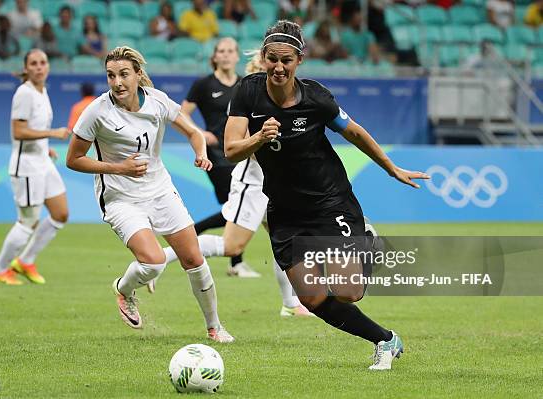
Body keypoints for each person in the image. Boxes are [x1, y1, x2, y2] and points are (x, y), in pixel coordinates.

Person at [224, 20, 429, 370]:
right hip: (286, 212)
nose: (278, 66)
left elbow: (355, 133)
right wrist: (258, 138)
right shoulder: (247, 91)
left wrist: (390, 167)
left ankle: (369, 242)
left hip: (329, 202)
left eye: (286, 60)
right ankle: (385, 339)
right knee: (314, 298)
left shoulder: (316, 98)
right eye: (271, 58)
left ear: (299, 60)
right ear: (263, 57)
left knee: (348, 291)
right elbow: (230, 150)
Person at [65, 46, 234, 343]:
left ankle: (214, 327)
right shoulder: (97, 111)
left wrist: (200, 154)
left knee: (194, 259)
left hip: (160, 190)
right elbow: (74, 159)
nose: (117, 82)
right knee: (153, 263)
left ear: (138, 75)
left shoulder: (157, 101)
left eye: (123, 75)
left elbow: (194, 132)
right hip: (119, 197)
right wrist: (119, 168)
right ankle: (123, 289)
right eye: (111, 75)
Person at [162, 50, 311, 317]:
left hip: (274, 185)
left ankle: (291, 304)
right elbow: (240, 145)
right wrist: (266, 140)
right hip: (251, 183)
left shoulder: (284, 100)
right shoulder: (248, 99)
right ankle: (164, 258)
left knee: (289, 242)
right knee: (232, 246)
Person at [0, 49, 71, 286]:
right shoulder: (24, 93)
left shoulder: (41, 91)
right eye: (33, 63)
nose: (39, 67)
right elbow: (19, 131)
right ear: (26, 68)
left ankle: (25, 261)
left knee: (60, 213)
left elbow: (33, 128)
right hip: (26, 168)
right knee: (28, 222)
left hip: (42, 161)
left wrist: (45, 147)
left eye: (43, 62)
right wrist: (52, 134)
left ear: (48, 67)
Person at [181, 37, 259, 277]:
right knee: (233, 208)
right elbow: (181, 114)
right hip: (217, 156)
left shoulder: (244, 85)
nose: (225, 55)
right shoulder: (203, 85)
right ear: (214, 56)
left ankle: (234, 260)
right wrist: (201, 134)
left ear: (237, 56)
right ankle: (198, 236)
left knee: (233, 208)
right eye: (221, 51)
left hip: (243, 153)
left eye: (230, 51)